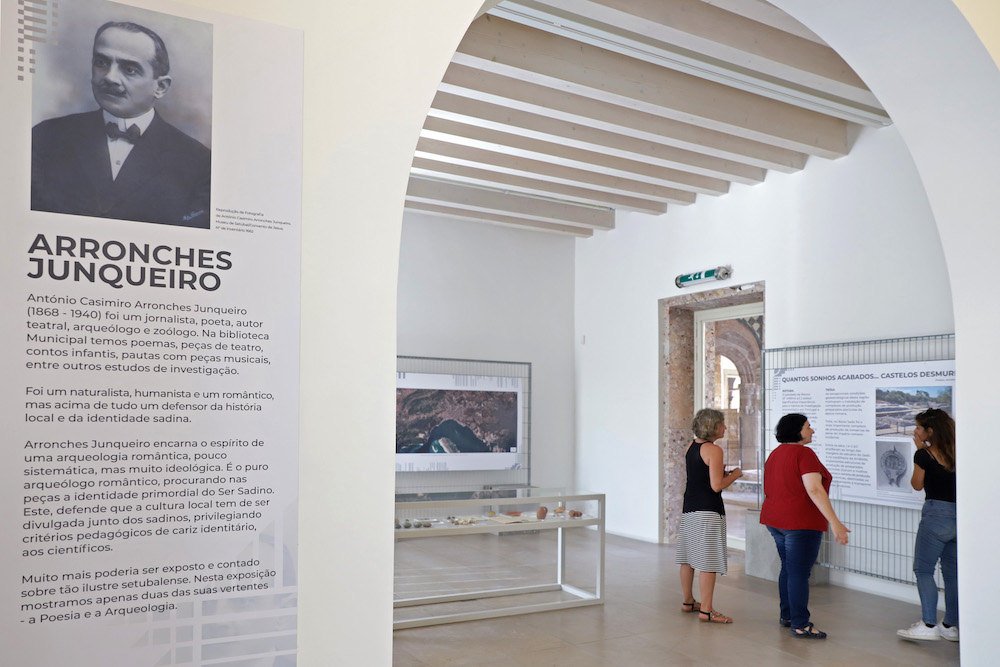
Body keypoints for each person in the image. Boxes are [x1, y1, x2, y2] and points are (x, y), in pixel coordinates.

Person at [31, 21, 211, 227]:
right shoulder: (46, 137)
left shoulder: (199, 164)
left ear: (160, 87)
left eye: (130, 69)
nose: (110, 77)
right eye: (101, 63)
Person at [760, 413, 849, 638]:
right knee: (798, 573)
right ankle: (800, 624)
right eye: (808, 427)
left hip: (776, 521)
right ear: (797, 431)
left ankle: (788, 616)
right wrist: (835, 522)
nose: (812, 431)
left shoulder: (775, 453)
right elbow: (814, 489)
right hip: (800, 523)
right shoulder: (804, 453)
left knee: (788, 569)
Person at [676, 408, 743, 623]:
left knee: (687, 558)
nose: (726, 427)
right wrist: (735, 475)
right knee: (708, 560)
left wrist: (720, 475)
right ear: (712, 426)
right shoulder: (714, 450)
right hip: (708, 510)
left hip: (690, 507)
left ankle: (688, 601)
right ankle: (706, 610)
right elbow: (716, 486)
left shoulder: (691, 446)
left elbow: (700, 477)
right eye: (722, 424)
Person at [897, 408, 958, 642]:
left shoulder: (924, 455)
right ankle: (951, 625)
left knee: (923, 570)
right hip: (959, 516)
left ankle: (929, 624)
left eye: (919, 427)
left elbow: (916, 484)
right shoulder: (958, 452)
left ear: (930, 431)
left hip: (935, 516)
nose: (916, 431)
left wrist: (920, 451)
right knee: (952, 573)